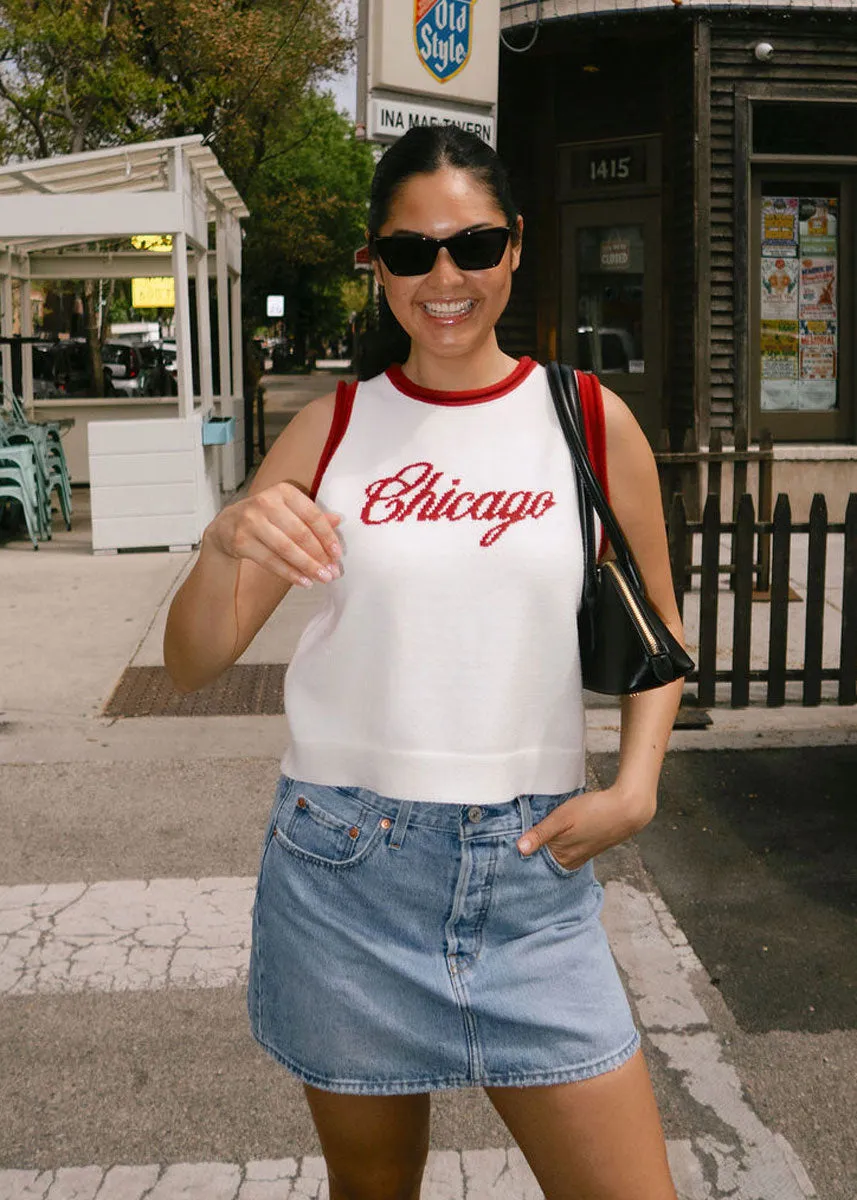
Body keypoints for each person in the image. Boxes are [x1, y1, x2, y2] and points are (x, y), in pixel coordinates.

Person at [164, 125, 685, 1200]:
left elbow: (659, 633)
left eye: (473, 245)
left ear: (514, 247)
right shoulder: (332, 430)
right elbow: (193, 662)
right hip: (346, 871)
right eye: (410, 253)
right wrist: (223, 543)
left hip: (533, 875)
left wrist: (636, 786)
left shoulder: (587, 419)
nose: (444, 279)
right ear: (377, 263)